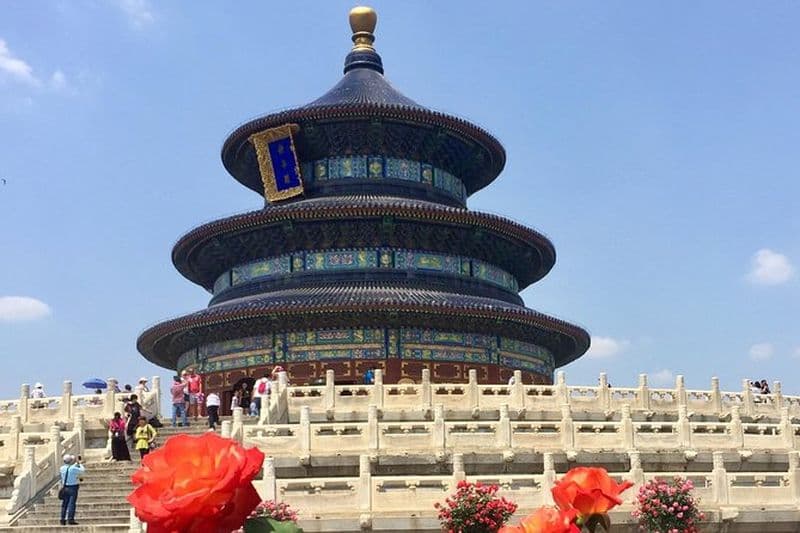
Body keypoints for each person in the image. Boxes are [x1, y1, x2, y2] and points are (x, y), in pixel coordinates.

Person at [59, 453, 85, 525]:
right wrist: (79, 463)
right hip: (73, 487)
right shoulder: (73, 468)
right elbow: (82, 470)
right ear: (70, 460)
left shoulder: (62, 468)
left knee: (64, 504)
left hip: (65, 487)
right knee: (71, 504)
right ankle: (70, 519)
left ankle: (62, 519)